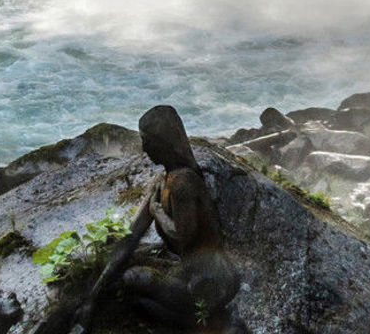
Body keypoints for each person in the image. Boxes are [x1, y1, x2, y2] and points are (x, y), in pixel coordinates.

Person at [69, 105, 246, 334]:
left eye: (148, 141)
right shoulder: (163, 180)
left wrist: (158, 212)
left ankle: (203, 321)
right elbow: (131, 236)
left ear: (164, 142)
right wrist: (93, 296)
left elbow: (184, 234)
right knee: (132, 287)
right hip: (190, 271)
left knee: (134, 278)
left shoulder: (183, 182)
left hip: (211, 281)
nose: (144, 148)